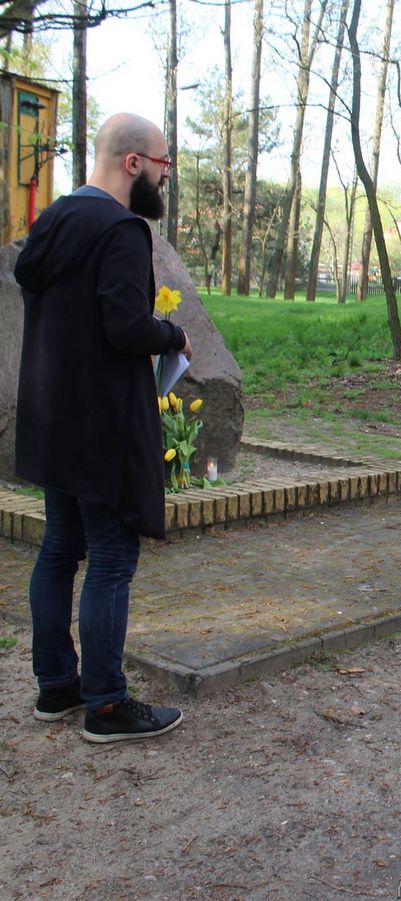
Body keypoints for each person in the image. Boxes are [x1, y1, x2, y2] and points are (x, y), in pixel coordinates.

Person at [17, 113, 191, 743]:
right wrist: (174, 335)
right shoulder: (121, 229)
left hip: (51, 420)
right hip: (100, 427)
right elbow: (126, 328)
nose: (166, 175)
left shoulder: (53, 221)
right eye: (163, 163)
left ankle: (56, 687)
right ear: (133, 162)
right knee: (112, 559)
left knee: (61, 548)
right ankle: (107, 705)